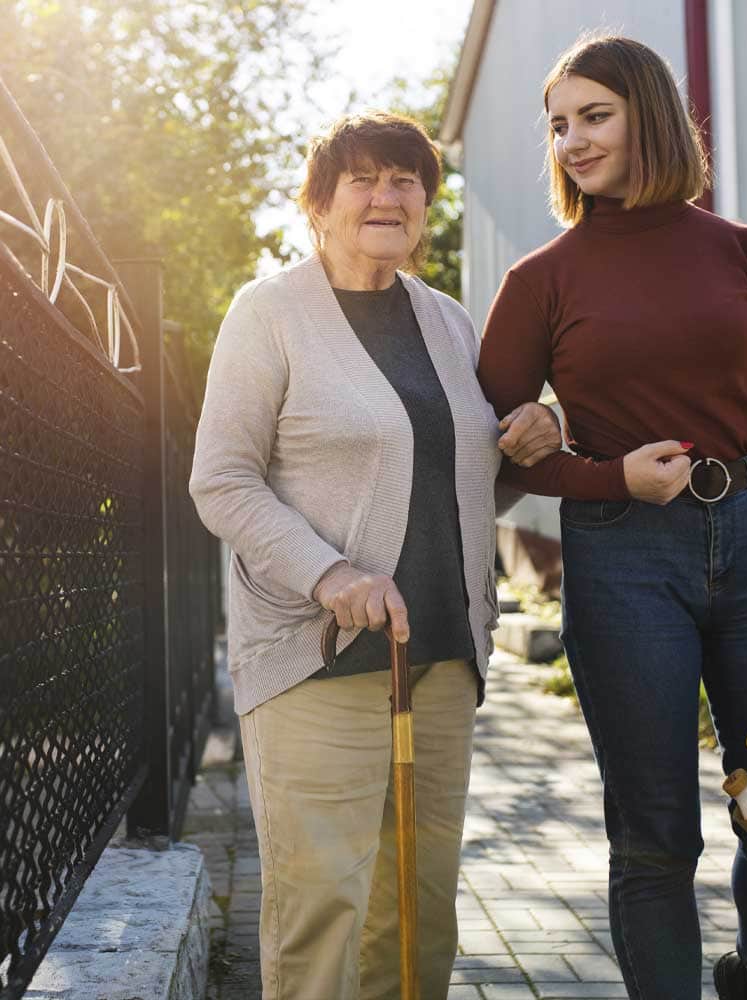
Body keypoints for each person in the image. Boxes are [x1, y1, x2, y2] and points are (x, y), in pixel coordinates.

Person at [477, 36, 747, 1000]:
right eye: (559, 124)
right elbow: (488, 452)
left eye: (594, 116)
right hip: (623, 567)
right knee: (653, 832)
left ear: (648, 113)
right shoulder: (542, 279)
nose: (571, 140)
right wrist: (605, 474)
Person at [189, 111, 560, 1000]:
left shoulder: (448, 322)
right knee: (324, 913)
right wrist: (332, 572)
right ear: (319, 204)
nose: (387, 196)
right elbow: (222, 481)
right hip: (317, 662)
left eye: (406, 180)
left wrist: (542, 431)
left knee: (421, 915)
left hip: (439, 662)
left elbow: (464, 482)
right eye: (362, 179)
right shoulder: (268, 313)